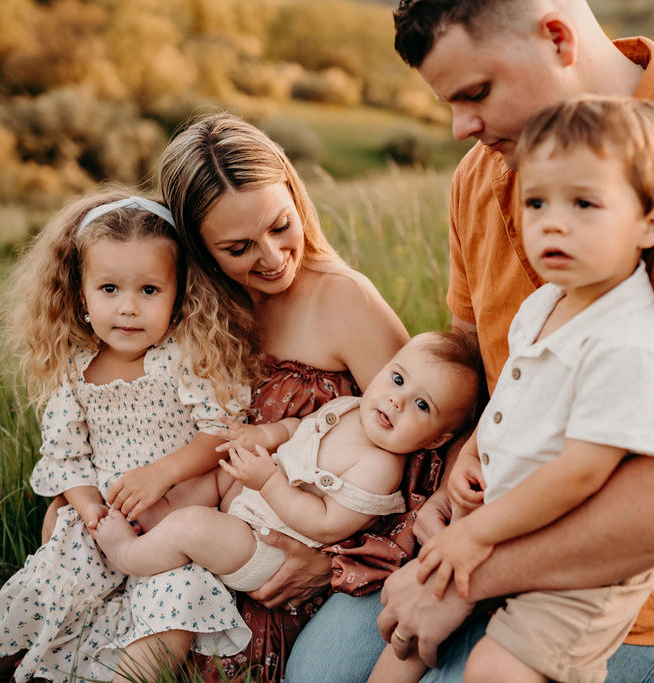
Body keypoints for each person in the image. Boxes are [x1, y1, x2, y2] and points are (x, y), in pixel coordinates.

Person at [285, 1, 654, 681]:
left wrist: (464, 573)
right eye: (448, 102)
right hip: (489, 525)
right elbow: (474, 369)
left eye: (477, 93)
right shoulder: (481, 177)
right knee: (319, 673)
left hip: (637, 580)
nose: (460, 127)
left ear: (556, 37)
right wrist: (455, 484)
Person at [369, 96, 654, 683]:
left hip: (580, 562)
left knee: (495, 671)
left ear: (650, 223)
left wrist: (478, 537)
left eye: (585, 204)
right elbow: (511, 402)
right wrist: (474, 456)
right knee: (402, 634)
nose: (553, 223)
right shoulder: (542, 304)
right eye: (537, 201)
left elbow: (581, 473)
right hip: (501, 518)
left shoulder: (629, 344)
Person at [156, 111, 448, 682]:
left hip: (314, 548)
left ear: (295, 197)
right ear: (200, 249)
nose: (271, 256)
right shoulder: (198, 307)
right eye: (239, 247)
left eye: (280, 225)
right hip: (217, 528)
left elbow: (421, 459)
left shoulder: (343, 301)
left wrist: (330, 564)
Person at [0, 189, 257, 683]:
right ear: (81, 295)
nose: (129, 309)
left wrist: (162, 474)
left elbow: (220, 432)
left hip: (172, 529)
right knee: (46, 583)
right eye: (110, 289)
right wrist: (88, 505)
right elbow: (64, 456)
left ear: (179, 293)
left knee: (176, 611)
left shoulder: (184, 360)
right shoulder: (77, 374)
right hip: (103, 521)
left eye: (149, 291)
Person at [94, 331, 482, 599]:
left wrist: (267, 482)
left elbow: (326, 523)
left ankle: (128, 556)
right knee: (210, 475)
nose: (397, 400)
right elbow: (300, 427)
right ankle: (157, 522)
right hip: (252, 500)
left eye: (421, 405)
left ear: (436, 440)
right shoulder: (350, 408)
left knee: (193, 526)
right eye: (397, 379)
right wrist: (263, 437)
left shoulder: (381, 468)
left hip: (266, 547)